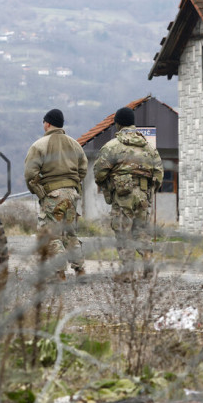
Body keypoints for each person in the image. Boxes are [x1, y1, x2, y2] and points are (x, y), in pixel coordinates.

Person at [94, 107, 164, 282]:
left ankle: (127, 273)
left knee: (123, 232)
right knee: (141, 231)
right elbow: (159, 173)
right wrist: (148, 191)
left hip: (122, 195)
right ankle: (148, 268)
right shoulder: (149, 147)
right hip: (143, 195)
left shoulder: (112, 147)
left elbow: (99, 172)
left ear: (118, 124)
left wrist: (110, 184)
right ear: (133, 124)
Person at [24, 108, 88, 280]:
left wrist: (40, 192)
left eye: (44, 122)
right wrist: (73, 186)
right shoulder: (75, 144)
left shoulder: (39, 145)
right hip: (72, 194)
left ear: (48, 123)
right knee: (70, 233)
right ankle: (80, 270)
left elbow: (30, 174)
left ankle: (59, 272)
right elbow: (83, 169)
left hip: (53, 194)